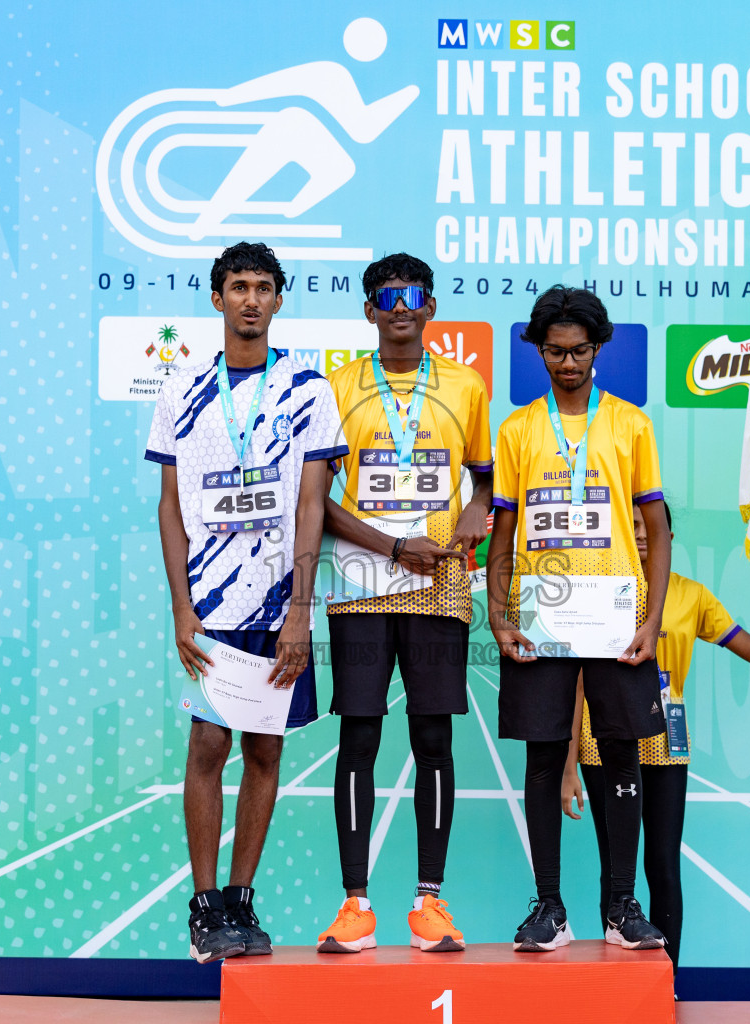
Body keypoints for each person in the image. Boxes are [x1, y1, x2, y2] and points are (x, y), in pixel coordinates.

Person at [147, 241, 348, 963]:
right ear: (217, 298)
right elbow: (170, 507)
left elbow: (312, 506)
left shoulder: (308, 387)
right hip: (213, 604)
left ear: (280, 299)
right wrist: (181, 606)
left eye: (264, 287)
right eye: (239, 286)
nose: (252, 299)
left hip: (278, 604)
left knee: (266, 748)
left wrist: (300, 609)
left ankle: (240, 899)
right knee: (210, 744)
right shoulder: (181, 391)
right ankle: (204, 906)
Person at [315, 253, 493, 954]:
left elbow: (485, 485)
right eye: (386, 296)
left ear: (429, 307)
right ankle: (355, 905)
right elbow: (315, 499)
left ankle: (430, 903)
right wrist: (393, 547)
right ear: (368, 310)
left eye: (412, 295)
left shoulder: (466, 386)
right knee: (358, 738)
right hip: (361, 584)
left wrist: (473, 517)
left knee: (434, 741)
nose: (399, 306)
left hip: (441, 583)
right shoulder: (337, 387)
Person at [487, 285, 670, 952]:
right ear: (538, 350)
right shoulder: (517, 430)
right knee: (543, 757)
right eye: (556, 352)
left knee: (621, 751)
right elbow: (501, 537)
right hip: (543, 617)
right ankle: (549, 908)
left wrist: (651, 620)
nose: (568, 364)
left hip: (617, 618)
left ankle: (621, 907)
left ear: (599, 350)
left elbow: (657, 527)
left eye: (580, 352)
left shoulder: (631, 424)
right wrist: (501, 619)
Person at [562, 503, 750, 975]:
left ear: (666, 537)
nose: (638, 536)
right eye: (627, 527)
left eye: (646, 528)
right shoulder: (599, 594)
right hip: (604, 744)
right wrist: (568, 762)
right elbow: (577, 684)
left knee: (662, 866)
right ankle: (622, 991)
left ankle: (664, 984)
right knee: (617, 872)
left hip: (665, 745)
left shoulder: (692, 597)